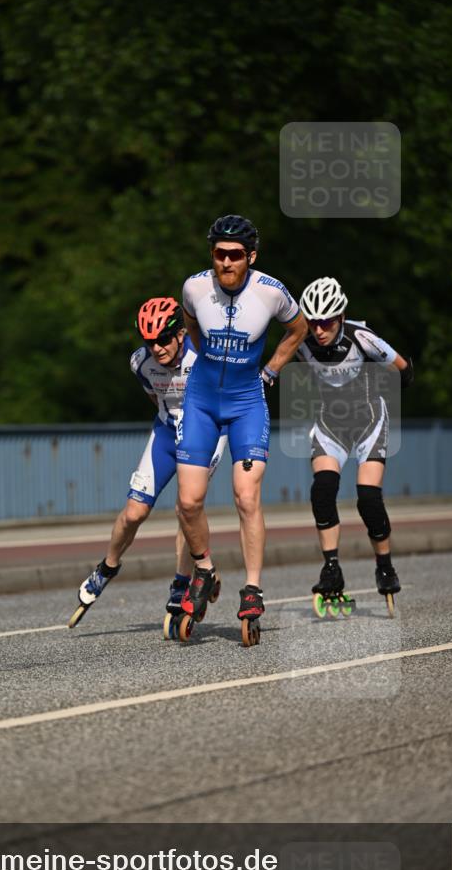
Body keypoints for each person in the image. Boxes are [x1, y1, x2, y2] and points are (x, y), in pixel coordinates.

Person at [176, 214, 308, 635]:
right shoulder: (195, 287)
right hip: (200, 400)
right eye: (219, 254)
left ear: (250, 256)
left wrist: (270, 371)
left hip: (246, 401)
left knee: (246, 496)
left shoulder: (271, 292)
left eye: (235, 255)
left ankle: (252, 588)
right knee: (189, 501)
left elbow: (299, 329)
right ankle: (205, 570)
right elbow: (190, 326)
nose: (226, 263)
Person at [70, 297, 227, 627]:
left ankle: (182, 582)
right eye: (149, 341)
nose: (157, 348)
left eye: (163, 339)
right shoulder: (140, 363)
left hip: (207, 435)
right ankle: (107, 567)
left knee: (187, 507)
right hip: (167, 432)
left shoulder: (206, 358)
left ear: (181, 334)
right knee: (134, 512)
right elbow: (156, 396)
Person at [297, 275, 413, 610]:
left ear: (341, 317)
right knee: (322, 490)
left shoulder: (361, 336)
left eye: (327, 322)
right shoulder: (300, 342)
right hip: (330, 425)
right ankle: (331, 568)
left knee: (368, 499)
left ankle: (384, 566)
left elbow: (405, 371)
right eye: (314, 322)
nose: (319, 329)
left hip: (368, 423)